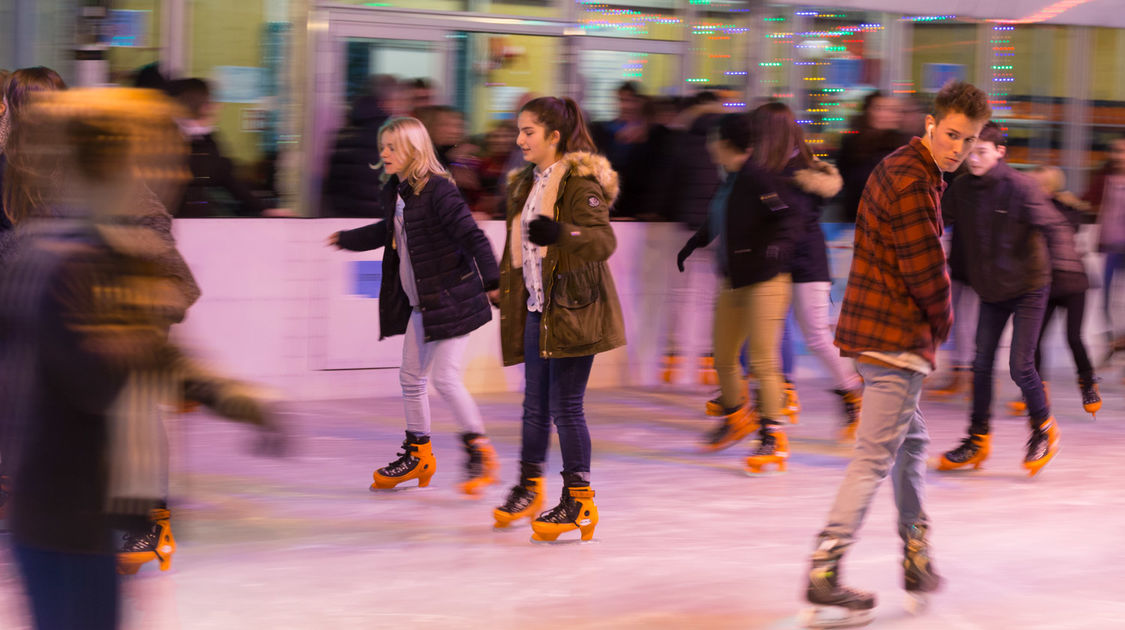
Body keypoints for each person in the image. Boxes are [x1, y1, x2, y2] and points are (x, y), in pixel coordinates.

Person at [0, 87, 282, 630]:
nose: (170, 176)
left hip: (90, 511)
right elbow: (98, 380)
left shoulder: (104, 248)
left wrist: (225, 394)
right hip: (62, 511)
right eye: (152, 160)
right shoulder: (59, 259)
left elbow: (150, 353)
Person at [802, 81, 990, 626]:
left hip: (876, 330)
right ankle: (825, 567)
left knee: (912, 442)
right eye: (951, 134)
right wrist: (944, 322)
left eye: (969, 139)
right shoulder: (913, 180)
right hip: (895, 336)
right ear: (932, 125)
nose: (957, 148)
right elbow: (926, 269)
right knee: (875, 456)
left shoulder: (906, 166)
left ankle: (915, 554)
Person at [329, 116, 501, 495]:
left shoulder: (440, 191)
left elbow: (474, 237)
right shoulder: (399, 191)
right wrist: (347, 239)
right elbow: (386, 230)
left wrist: (493, 283)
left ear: (412, 149)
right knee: (410, 378)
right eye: (383, 146)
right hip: (423, 304)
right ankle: (419, 454)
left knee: (444, 378)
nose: (384, 153)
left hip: (455, 299)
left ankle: (480, 451)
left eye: (392, 147)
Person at [490, 96, 624, 542]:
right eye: (520, 130)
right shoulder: (528, 183)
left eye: (528, 131)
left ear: (554, 137)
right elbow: (521, 247)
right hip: (536, 307)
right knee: (534, 406)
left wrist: (561, 233)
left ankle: (579, 501)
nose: (520, 139)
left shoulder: (577, 183)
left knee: (566, 407)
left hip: (572, 309)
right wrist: (500, 284)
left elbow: (604, 242)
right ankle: (529, 486)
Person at [935, 122, 1071, 476]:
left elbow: (1054, 226)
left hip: (1029, 286)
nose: (973, 158)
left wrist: (1066, 273)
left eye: (981, 151)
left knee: (1019, 365)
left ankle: (1043, 428)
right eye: (969, 151)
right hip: (992, 289)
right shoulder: (962, 188)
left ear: (1000, 152)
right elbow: (934, 221)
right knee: (980, 365)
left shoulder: (1021, 187)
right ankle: (977, 439)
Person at [676, 111, 797, 472]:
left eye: (714, 138)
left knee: (762, 360)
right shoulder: (728, 179)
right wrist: (695, 242)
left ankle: (773, 435)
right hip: (735, 279)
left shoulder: (757, 177)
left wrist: (776, 250)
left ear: (726, 144)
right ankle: (736, 417)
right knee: (724, 356)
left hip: (766, 281)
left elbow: (787, 218)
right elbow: (719, 217)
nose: (710, 144)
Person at [754, 102, 864, 442]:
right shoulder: (763, 165)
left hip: (805, 262)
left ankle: (851, 390)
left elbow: (795, 219)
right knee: (764, 337)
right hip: (773, 261)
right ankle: (770, 409)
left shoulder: (800, 170)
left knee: (816, 334)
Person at [1028, 165, 1102, 418]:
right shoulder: (1038, 210)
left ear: (1049, 187)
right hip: (1048, 284)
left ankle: (1089, 385)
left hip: (1073, 284)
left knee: (1073, 338)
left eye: (1038, 185)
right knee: (1034, 340)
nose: (1032, 190)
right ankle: (1037, 391)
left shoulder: (1059, 212)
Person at [166, 78, 272, 217]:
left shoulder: (207, 138)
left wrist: (264, 209)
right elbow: (203, 173)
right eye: (213, 101)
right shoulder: (171, 138)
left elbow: (227, 178)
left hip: (197, 221)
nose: (219, 106)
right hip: (173, 221)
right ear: (200, 105)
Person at [322, 74, 407, 217]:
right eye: (399, 100)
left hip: (343, 217)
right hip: (375, 221)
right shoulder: (391, 136)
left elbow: (333, 185)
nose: (402, 106)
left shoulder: (345, 133)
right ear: (384, 102)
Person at [837, 92, 908, 222]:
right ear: (868, 111)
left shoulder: (905, 146)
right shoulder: (852, 143)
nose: (885, 115)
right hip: (855, 217)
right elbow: (844, 180)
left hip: (892, 220)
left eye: (892, 110)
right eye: (879, 108)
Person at [1084, 135, 1125, 358]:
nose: (1118, 156)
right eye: (1116, 151)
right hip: (1110, 247)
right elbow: (1088, 199)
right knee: (1106, 300)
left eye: (1122, 151)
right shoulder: (1104, 178)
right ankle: (1113, 343)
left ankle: (1120, 343)